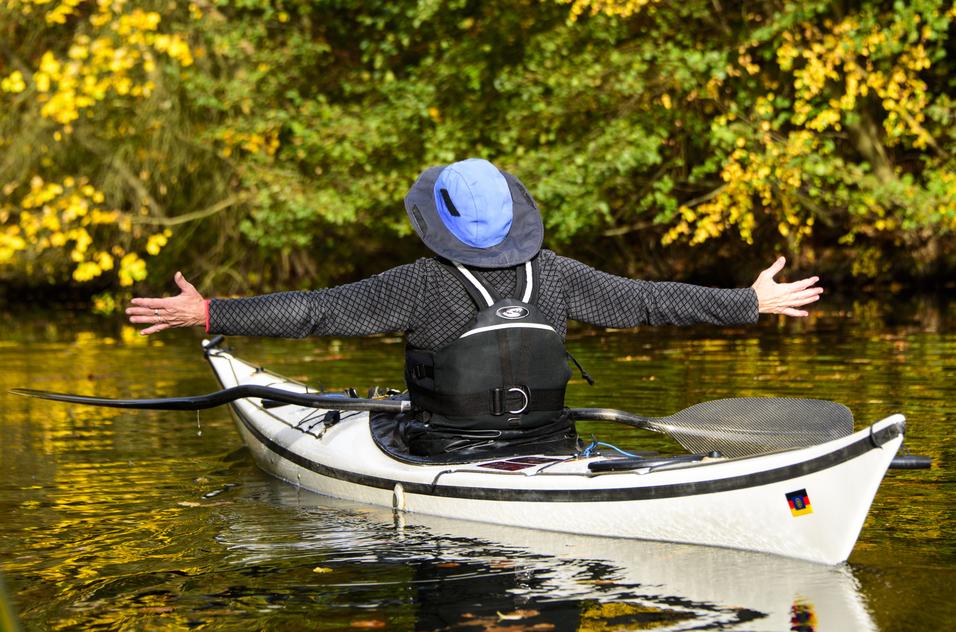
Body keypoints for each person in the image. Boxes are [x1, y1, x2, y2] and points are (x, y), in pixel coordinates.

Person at [127, 158, 822, 459]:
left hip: (446, 452)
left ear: (441, 222)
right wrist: (750, 301)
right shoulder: (557, 273)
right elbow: (648, 300)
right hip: (550, 446)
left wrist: (210, 315)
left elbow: (316, 312)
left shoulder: (419, 283)